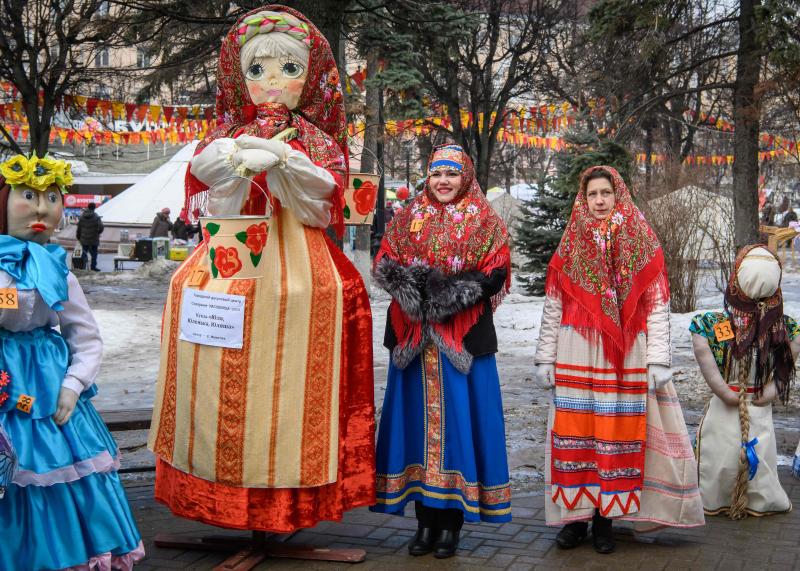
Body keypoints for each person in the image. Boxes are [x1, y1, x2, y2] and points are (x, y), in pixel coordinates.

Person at [148, 5, 376, 533]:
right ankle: (220, 485)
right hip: (233, 257)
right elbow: (210, 186)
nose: (272, 82)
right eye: (257, 70)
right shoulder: (227, 135)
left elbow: (323, 206)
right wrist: (235, 157)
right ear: (240, 77)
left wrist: (286, 162)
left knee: (296, 376)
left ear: (311, 78)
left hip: (300, 262)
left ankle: (286, 494)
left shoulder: (317, 142)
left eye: (287, 69)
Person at [534, 166, 704, 554]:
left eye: (605, 193)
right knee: (575, 434)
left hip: (626, 354)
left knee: (615, 434)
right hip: (576, 348)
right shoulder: (571, 242)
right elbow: (553, 304)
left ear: (618, 195)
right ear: (584, 198)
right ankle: (575, 519)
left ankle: (605, 520)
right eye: (592, 194)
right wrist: (545, 358)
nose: (598, 201)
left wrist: (659, 360)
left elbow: (658, 305)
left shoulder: (641, 241)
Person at [0, 154, 144, 569]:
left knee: (57, 467)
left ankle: (60, 553)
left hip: (45, 385)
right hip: (5, 379)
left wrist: (73, 385)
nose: (42, 208)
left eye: (51, 197)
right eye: (28, 196)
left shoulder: (59, 271)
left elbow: (85, 336)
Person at [370, 144, 512, 559]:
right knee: (415, 429)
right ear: (427, 178)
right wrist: (415, 292)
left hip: (462, 341)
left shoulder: (485, 220)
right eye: (436, 174)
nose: (443, 182)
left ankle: (451, 525)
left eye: (451, 174)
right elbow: (386, 260)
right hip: (413, 341)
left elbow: (495, 271)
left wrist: (457, 294)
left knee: (460, 431)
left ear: (465, 176)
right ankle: (424, 523)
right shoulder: (408, 216)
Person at [691, 245, 800, 519]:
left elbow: (700, 342)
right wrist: (773, 388)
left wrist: (724, 390)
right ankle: (758, 499)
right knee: (755, 455)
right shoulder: (783, 328)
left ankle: (715, 497)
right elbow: (788, 359)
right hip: (754, 404)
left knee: (724, 456)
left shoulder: (716, 325)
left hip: (731, 403)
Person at [76, 201, 104, 271]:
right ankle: (93, 267)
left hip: (84, 239)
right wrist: (98, 233)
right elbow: (101, 227)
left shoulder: (82, 217)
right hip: (93, 239)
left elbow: (79, 228)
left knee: (84, 253)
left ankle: (82, 266)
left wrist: (78, 237)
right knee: (94, 254)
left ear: (88, 207)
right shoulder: (96, 217)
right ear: (94, 208)